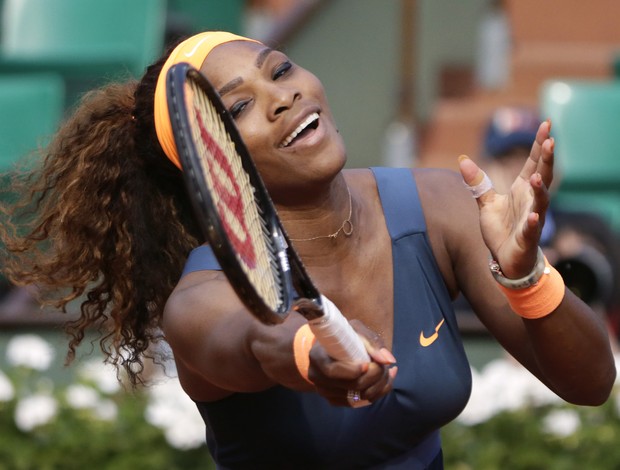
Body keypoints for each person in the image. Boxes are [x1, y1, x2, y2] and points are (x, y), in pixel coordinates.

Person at [0, 31, 616, 469]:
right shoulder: (200, 297)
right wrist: (308, 354)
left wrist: (528, 276)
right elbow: (253, 338)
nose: (283, 96)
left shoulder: (440, 204)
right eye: (240, 107)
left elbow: (590, 381)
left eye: (282, 69)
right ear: (212, 169)